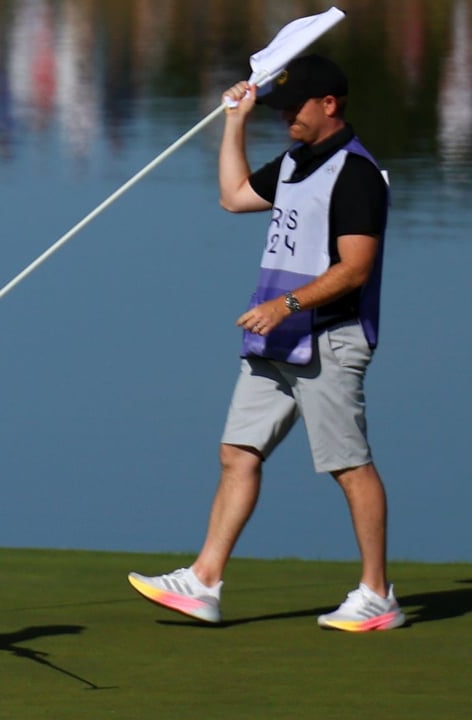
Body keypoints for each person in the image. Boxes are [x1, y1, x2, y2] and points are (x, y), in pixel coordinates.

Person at [128, 55, 404, 632]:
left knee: (349, 465)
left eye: (294, 108)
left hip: (329, 336)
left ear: (330, 104)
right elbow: (232, 196)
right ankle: (204, 582)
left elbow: (354, 269)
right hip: (277, 335)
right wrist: (236, 120)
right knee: (238, 452)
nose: (286, 118)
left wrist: (286, 305)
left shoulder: (356, 173)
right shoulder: (298, 162)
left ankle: (377, 595)